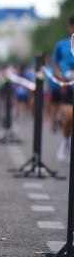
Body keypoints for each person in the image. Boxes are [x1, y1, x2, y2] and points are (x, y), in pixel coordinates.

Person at [51, 16, 74, 161]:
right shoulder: (61, 45)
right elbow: (54, 64)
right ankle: (65, 141)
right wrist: (60, 78)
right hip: (67, 85)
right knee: (69, 116)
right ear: (70, 27)